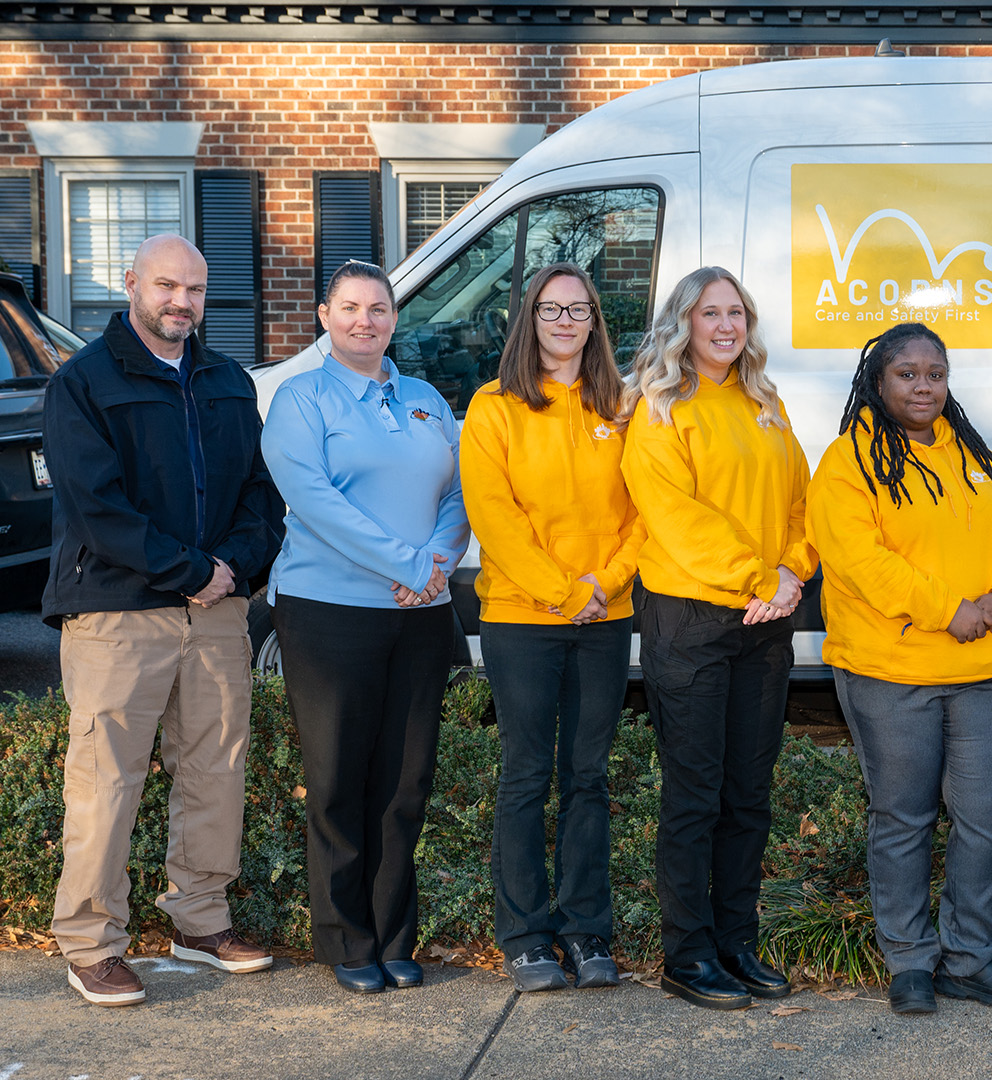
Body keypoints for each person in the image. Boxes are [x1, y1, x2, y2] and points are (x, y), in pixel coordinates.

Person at [41, 234, 283, 1006]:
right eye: (167, 286)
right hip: (118, 612)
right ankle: (89, 942)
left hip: (217, 611)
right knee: (105, 781)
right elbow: (96, 507)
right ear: (132, 285)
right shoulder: (84, 381)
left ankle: (200, 921)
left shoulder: (225, 379)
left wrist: (235, 569)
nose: (182, 301)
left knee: (216, 769)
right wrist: (193, 571)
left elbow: (259, 494)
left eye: (196, 290)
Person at [806, 323, 992, 1016]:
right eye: (906, 374)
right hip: (890, 669)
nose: (923, 385)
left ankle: (969, 958)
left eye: (934, 373)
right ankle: (909, 961)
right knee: (904, 816)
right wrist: (949, 609)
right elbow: (860, 561)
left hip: (976, 668)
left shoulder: (970, 452)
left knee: (991, 809)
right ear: (878, 383)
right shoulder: (848, 462)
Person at [261, 260, 470, 995]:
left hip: (419, 617)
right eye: (349, 307)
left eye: (378, 308)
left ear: (393, 318)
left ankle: (392, 937)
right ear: (324, 316)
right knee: (340, 778)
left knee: (406, 781)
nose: (365, 321)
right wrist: (407, 563)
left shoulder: (424, 398)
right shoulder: (300, 400)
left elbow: (458, 490)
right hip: (329, 613)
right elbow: (314, 501)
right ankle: (347, 941)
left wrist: (437, 561)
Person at [621, 267, 815, 1010]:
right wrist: (756, 576)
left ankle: (737, 941)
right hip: (694, 620)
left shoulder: (765, 402)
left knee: (749, 793)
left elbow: (802, 500)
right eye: (712, 313)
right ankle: (688, 953)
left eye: (737, 312)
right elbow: (675, 516)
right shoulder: (662, 408)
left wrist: (792, 571)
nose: (727, 326)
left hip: (766, 620)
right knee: (696, 793)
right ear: (684, 324)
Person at [460, 264, 645, 993]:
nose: (565, 320)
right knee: (527, 775)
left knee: (589, 778)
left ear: (596, 322)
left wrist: (605, 584)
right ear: (527, 318)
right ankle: (528, 937)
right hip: (521, 618)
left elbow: (644, 512)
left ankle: (586, 929)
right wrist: (564, 591)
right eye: (550, 308)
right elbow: (494, 518)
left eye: (579, 309)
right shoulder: (494, 407)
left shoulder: (625, 406)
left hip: (606, 615)